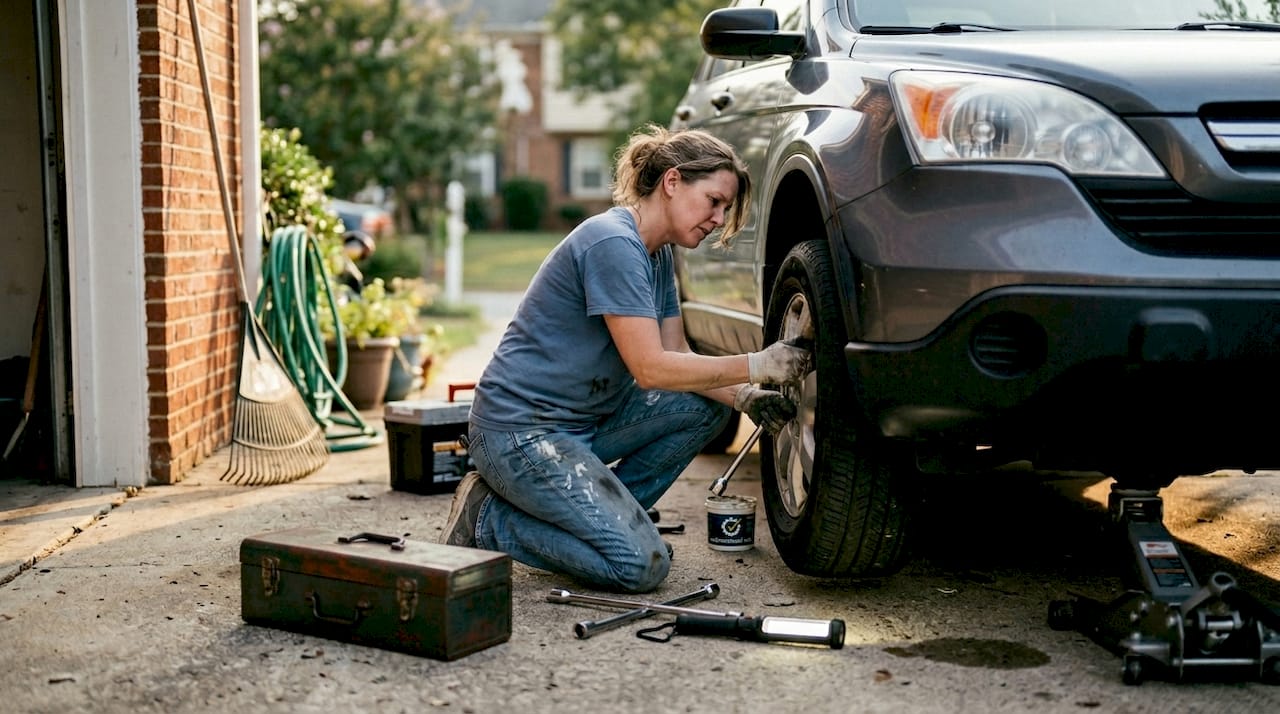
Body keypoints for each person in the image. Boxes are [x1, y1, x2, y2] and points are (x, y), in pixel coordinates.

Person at [440, 124, 810, 593]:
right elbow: (651, 369)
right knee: (641, 567)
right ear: (672, 182)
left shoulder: (658, 256)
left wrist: (744, 397)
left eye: (725, 208)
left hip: (582, 424)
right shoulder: (613, 243)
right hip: (520, 433)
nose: (719, 218)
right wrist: (758, 364)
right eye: (714, 201)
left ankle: (611, 527)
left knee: (708, 407)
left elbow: (677, 354)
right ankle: (488, 522)